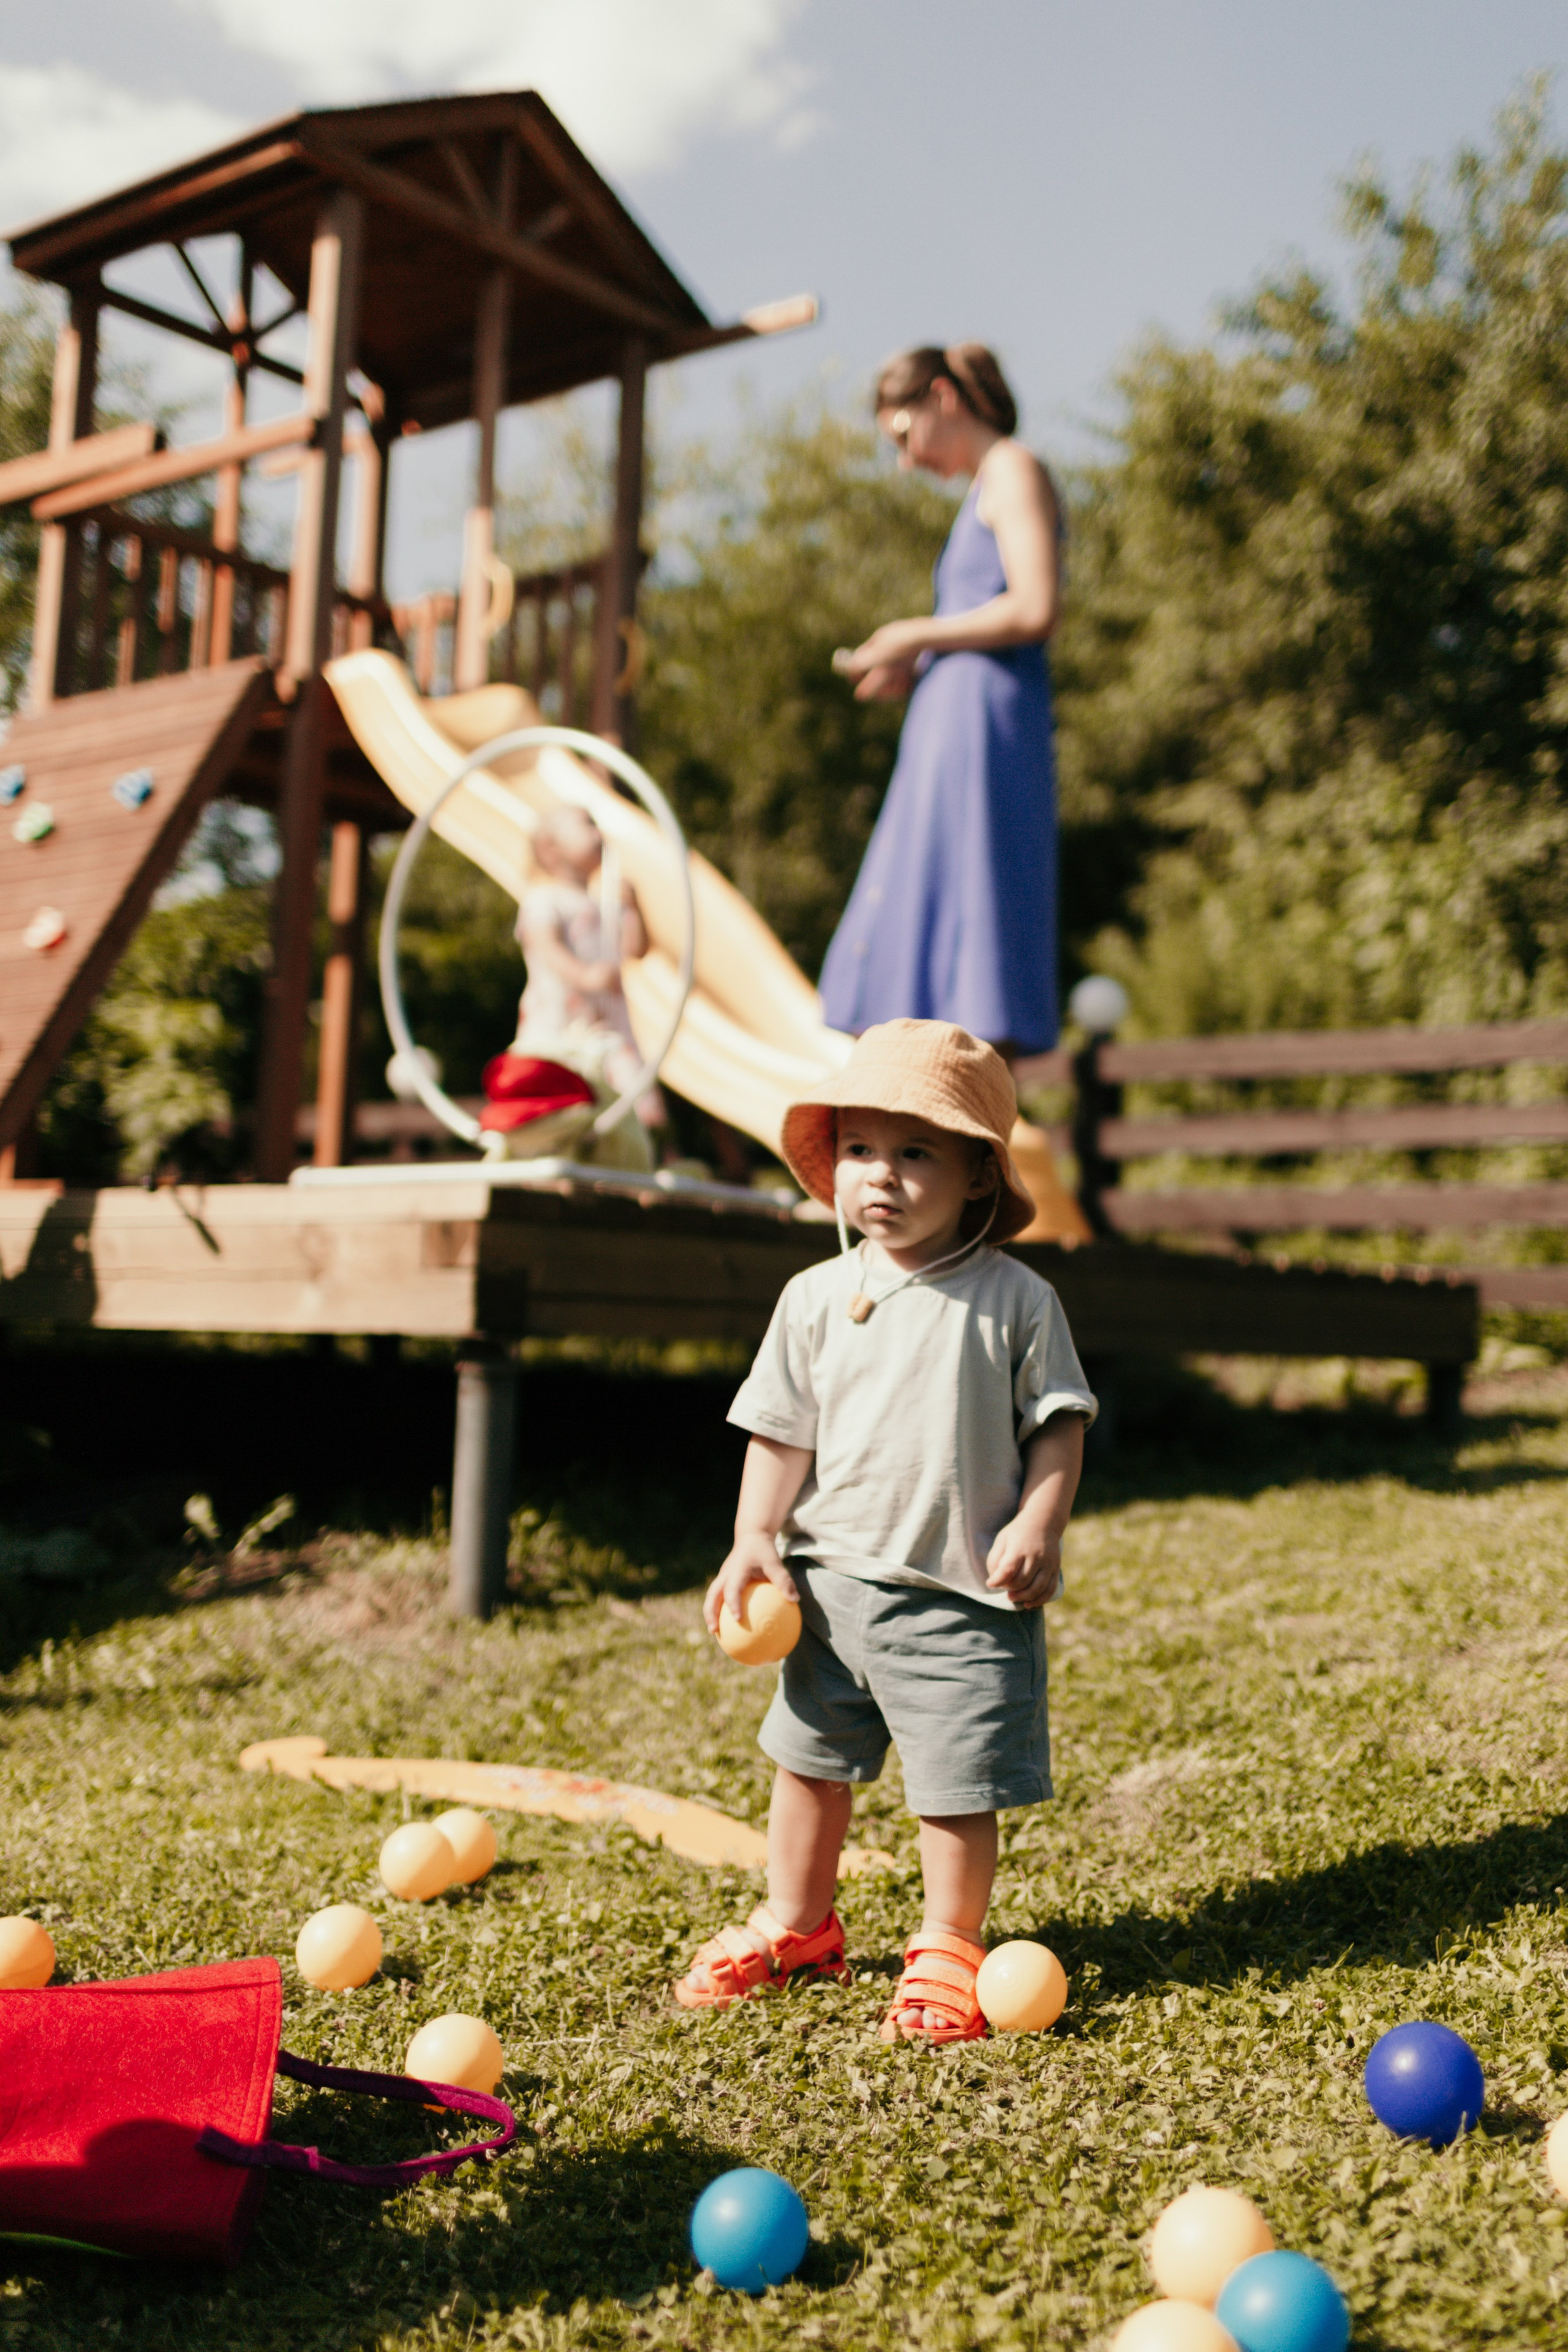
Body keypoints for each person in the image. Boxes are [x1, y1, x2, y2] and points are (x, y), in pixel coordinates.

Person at [673, 1020, 1096, 2042]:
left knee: (955, 1787)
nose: (883, 1175)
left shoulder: (1015, 1302)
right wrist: (754, 1536)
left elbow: (1060, 1428)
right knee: (808, 1763)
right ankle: (797, 1923)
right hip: (827, 1594)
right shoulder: (814, 1297)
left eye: (916, 1153)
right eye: (862, 1149)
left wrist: (1042, 1519)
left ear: (977, 1178)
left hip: (962, 1594)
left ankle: (950, 1944)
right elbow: (780, 1431)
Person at [820, 344, 1063, 1061]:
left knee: (978, 917)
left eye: (902, 434)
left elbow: (1035, 605)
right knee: (931, 919)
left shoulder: (1013, 467)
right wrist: (919, 662)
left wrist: (912, 632)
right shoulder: (985, 484)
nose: (903, 459)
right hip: (953, 718)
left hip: (984, 731)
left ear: (942, 397)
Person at [506, 802, 666, 1161]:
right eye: (587, 825)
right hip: (561, 1023)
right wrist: (584, 975)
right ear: (552, 849)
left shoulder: (603, 902)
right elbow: (544, 945)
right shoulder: (545, 899)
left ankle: (623, 1161)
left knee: (623, 1101)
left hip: (607, 1027)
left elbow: (635, 949)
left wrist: (633, 909)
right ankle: (556, 1159)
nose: (598, 833)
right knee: (560, 1099)